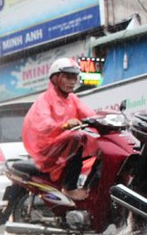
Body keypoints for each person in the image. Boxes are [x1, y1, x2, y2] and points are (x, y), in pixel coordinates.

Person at [22, 57, 97, 201]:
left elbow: (91, 114)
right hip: (47, 147)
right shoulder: (44, 99)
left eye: (74, 78)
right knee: (77, 137)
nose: (72, 82)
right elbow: (43, 123)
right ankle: (69, 188)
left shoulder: (72, 99)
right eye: (68, 77)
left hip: (63, 144)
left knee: (100, 144)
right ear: (56, 79)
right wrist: (64, 125)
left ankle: (90, 185)